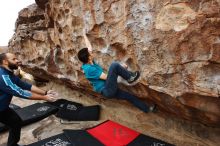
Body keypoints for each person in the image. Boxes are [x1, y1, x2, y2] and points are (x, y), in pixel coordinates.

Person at [77, 31, 156, 113]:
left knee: (129, 96)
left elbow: (89, 47)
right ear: (89, 57)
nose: (91, 52)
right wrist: (120, 69)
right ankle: (130, 77)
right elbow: (106, 77)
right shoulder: (89, 69)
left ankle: (147, 109)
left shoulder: (88, 62)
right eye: (90, 53)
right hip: (107, 90)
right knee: (114, 66)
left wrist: (84, 35)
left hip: (108, 89)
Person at [0, 53, 57, 146]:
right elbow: (20, 92)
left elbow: (25, 85)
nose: (17, 60)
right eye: (14, 59)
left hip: (3, 108)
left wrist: (45, 92)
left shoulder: (9, 74)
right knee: (14, 121)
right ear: (5, 62)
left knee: (15, 121)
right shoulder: (3, 77)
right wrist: (44, 98)